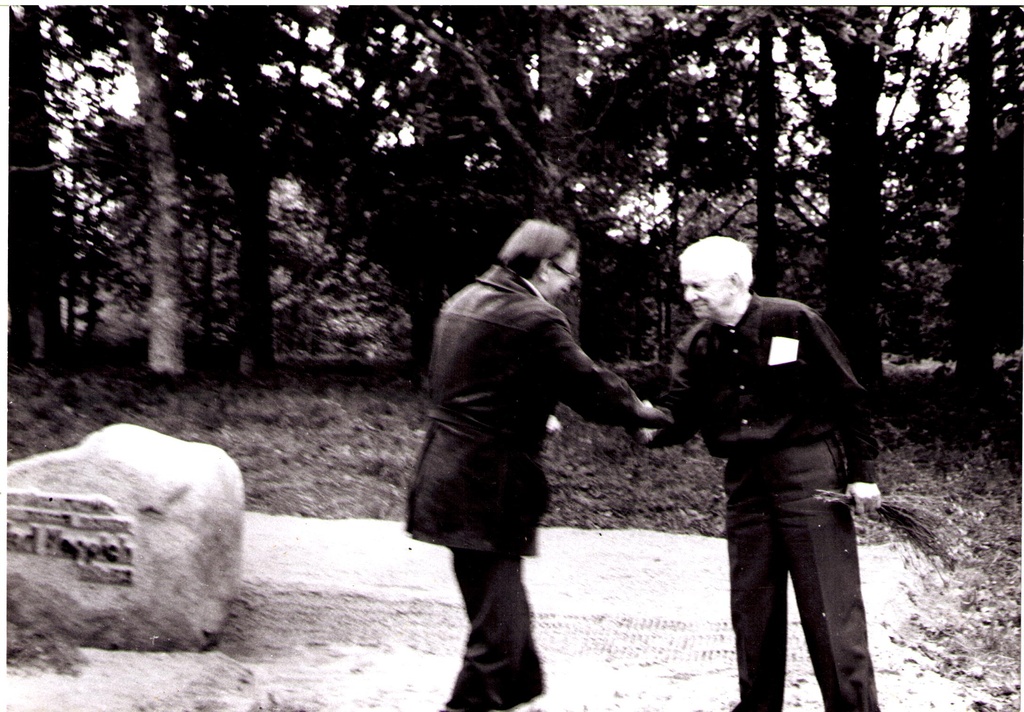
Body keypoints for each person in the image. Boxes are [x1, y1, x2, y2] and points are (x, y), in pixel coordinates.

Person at [407, 219, 672, 712]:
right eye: (569, 273)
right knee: (498, 626)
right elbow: (589, 385)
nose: (571, 284)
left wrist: (531, 411)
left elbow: (475, 380)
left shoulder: (462, 301)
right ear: (546, 267)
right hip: (491, 480)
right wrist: (646, 415)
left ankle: (520, 692)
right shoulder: (534, 316)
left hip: (442, 472)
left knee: (494, 606)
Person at [643, 235, 883, 712]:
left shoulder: (792, 320)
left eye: (698, 286)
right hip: (745, 483)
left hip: (809, 474)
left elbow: (848, 396)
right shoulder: (696, 343)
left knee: (831, 611)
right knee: (752, 608)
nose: (688, 296)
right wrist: (643, 421)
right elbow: (679, 411)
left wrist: (863, 472)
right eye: (685, 286)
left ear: (734, 282)